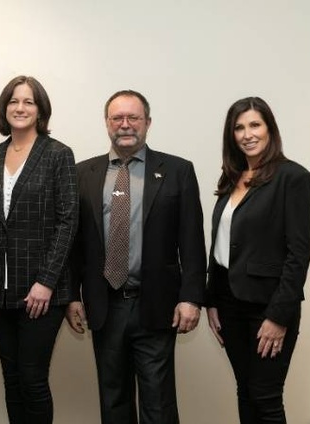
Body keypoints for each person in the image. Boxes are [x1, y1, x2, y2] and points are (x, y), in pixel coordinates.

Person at [65, 90, 206, 424]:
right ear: (107, 123)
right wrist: (71, 296)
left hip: (156, 305)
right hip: (105, 305)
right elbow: (75, 243)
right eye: (117, 118)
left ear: (147, 123)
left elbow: (192, 240)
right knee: (113, 401)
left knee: (158, 404)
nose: (125, 125)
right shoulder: (84, 173)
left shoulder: (177, 171)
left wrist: (191, 298)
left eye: (133, 118)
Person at [0, 75, 78, 423]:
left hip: (42, 292)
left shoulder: (58, 154)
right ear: (4, 108)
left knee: (32, 380)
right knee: (12, 380)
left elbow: (67, 222)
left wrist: (46, 281)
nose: (20, 107)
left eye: (29, 101)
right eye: (14, 101)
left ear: (40, 109)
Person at [206, 97, 310, 424]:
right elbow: (222, 246)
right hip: (228, 303)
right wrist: (211, 300)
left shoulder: (292, 178)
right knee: (246, 390)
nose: (247, 134)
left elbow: (299, 253)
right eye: (239, 127)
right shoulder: (231, 179)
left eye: (255, 125)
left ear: (270, 129)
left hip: (268, 307)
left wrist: (279, 316)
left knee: (266, 396)